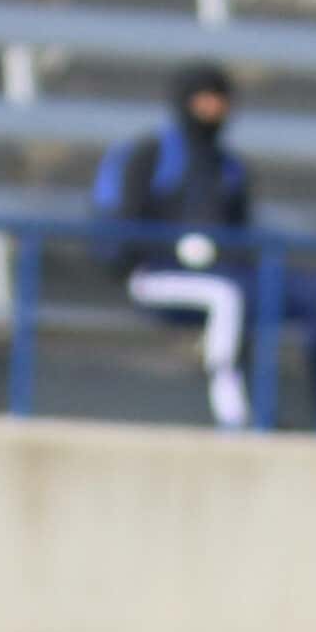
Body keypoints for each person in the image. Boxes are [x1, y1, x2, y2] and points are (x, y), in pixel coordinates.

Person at [97, 62, 256, 428]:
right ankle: (230, 404)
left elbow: (242, 236)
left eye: (219, 99)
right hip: (153, 275)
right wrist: (170, 250)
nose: (212, 108)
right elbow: (125, 227)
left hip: (215, 275)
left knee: (285, 296)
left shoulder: (229, 167)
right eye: (204, 98)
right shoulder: (152, 155)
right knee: (226, 296)